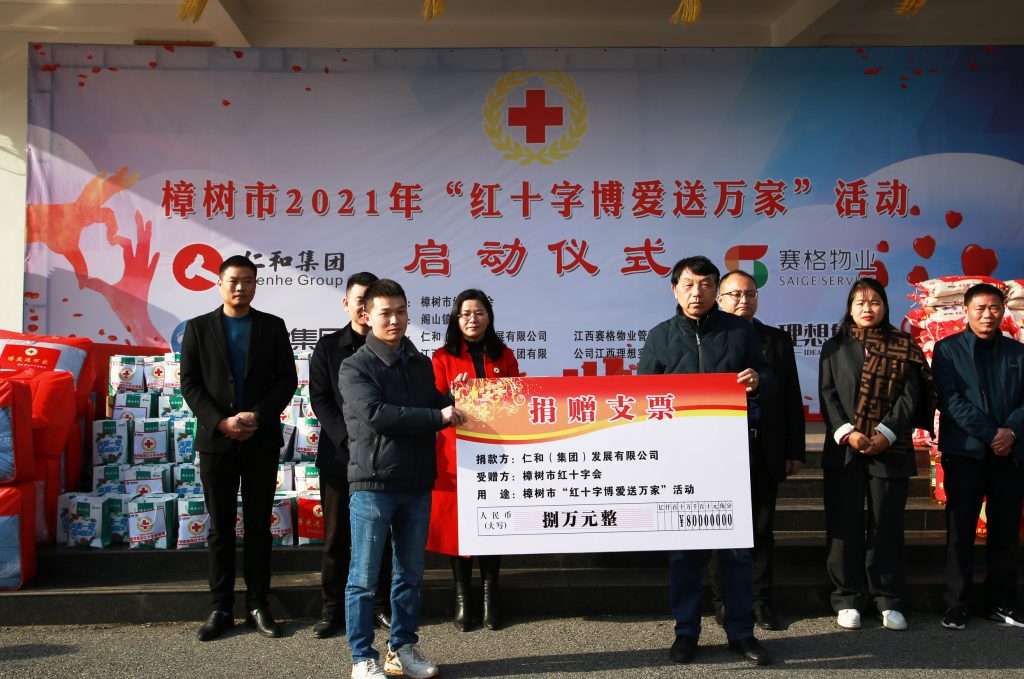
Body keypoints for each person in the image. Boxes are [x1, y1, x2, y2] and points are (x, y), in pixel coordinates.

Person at [638, 255, 775, 666]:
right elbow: (643, 397)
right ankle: (686, 632)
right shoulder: (660, 337)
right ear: (674, 289)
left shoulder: (738, 331)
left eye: (705, 284)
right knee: (683, 553)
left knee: (735, 551)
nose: (697, 292)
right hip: (679, 461)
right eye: (688, 285)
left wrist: (757, 381)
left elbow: (770, 379)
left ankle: (741, 632)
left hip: (729, 459)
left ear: (717, 289)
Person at [340, 279, 467, 679]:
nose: (394, 320)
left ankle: (402, 650)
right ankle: (362, 658)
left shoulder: (419, 362)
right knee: (363, 579)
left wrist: (464, 401)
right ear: (366, 316)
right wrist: (438, 416)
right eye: (385, 313)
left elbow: (435, 403)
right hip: (373, 484)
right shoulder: (355, 366)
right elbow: (378, 415)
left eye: (400, 311)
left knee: (409, 575)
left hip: (416, 483)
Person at [180, 254, 298, 641]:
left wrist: (257, 416)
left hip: (260, 440)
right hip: (217, 442)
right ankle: (220, 607)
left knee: (259, 526)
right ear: (219, 284)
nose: (240, 287)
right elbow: (190, 384)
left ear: (255, 285)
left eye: (248, 281)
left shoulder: (272, 326)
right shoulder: (198, 328)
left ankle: (258, 605)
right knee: (220, 528)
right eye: (233, 280)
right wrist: (221, 422)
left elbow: (286, 380)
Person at [818, 277, 933, 632]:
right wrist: (849, 433)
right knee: (845, 525)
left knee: (887, 526)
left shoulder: (903, 345)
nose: (867, 309)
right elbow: (828, 395)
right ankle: (848, 598)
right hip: (845, 450)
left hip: (890, 449)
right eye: (860, 302)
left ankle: (887, 598)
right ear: (850, 308)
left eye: (874, 302)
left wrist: (885, 433)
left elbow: (910, 396)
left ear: (885, 306)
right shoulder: (835, 346)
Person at [710, 270, 806, 630]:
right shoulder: (709, 338)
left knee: (762, 530)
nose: (743, 300)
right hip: (719, 452)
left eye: (749, 294)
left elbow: (791, 396)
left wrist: (795, 450)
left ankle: (761, 601)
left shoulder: (776, 341)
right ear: (719, 299)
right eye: (734, 294)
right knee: (719, 530)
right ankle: (723, 601)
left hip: (763, 446)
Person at [428, 289, 522, 631]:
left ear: (489, 317)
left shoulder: (504, 354)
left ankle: (490, 597)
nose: (472, 319)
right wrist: (452, 394)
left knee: (492, 520)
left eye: (479, 312)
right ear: (456, 318)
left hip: (495, 452)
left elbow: (517, 399)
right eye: (466, 313)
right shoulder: (442, 357)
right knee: (459, 525)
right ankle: (462, 598)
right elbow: (434, 402)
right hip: (456, 452)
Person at [932, 283, 1024, 630]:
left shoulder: (1017, 352)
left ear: (1003, 311)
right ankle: (956, 604)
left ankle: (1001, 602)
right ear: (966, 311)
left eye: (994, 308)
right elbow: (950, 400)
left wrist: (1011, 431)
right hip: (965, 453)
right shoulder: (947, 350)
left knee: (1005, 531)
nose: (988, 315)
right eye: (980, 308)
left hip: (1009, 455)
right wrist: (991, 434)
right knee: (961, 532)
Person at [308, 272, 393, 639]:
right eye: (359, 301)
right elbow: (320, 398)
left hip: (382, 457)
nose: (364, 307)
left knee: (380, 534)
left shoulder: (390, 346)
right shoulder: (328, 347)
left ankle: (380, 605)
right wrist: (345, 437)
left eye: (370, 301)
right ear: (347, 304)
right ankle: (332, 609)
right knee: (336, 537)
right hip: (339, 457)